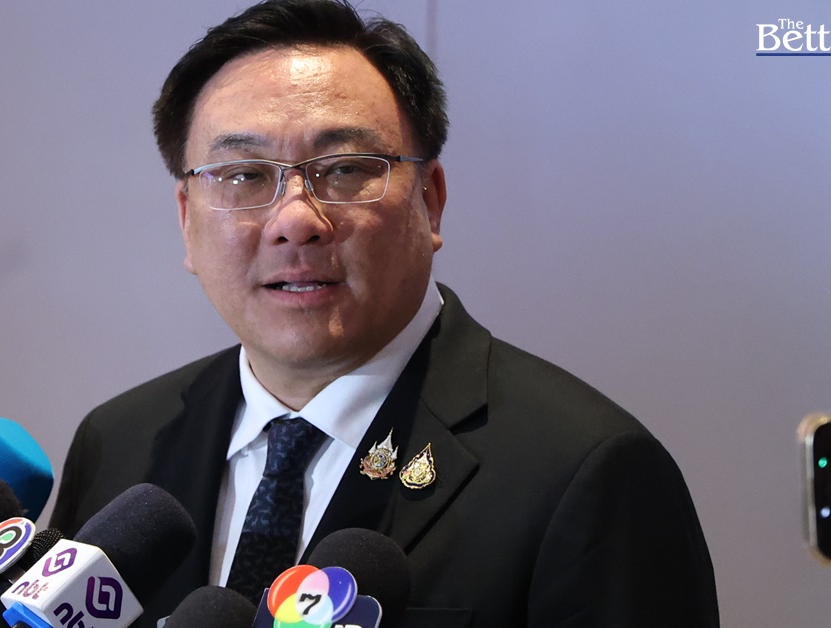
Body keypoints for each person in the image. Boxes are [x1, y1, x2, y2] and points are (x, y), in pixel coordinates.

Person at [50, 1, 719, 626]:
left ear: (431, 200)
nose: (295, 221)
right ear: (187, 219)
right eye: (245, 175)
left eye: (345, 169)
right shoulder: (118, 443)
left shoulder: (586, 471)